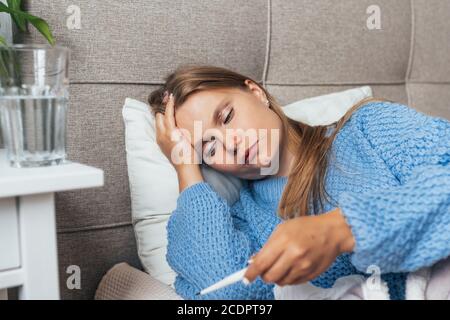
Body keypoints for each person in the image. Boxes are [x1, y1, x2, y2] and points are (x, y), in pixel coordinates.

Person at [148, 64, 450, 300]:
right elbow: (229, 294)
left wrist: (342, 229)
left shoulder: (368, 129)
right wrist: (185, 167)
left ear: (255, 92)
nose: (232, 144)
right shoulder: (240, 221)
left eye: (226, 117)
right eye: (209, 148)